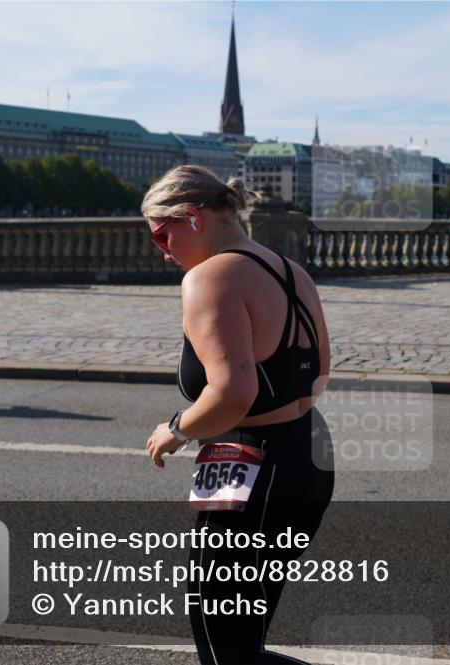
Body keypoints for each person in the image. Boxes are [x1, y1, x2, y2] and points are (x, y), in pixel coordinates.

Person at [141, 165, 333, 665]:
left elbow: (233, 393)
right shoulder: (290, 271)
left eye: (162, 235)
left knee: (224, 648)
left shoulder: (209, 278)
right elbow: (318, 375)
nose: (163, 252)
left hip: (252, 465)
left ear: (192, 217)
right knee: (244, 639)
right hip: (308, 455)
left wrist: (176, 429)